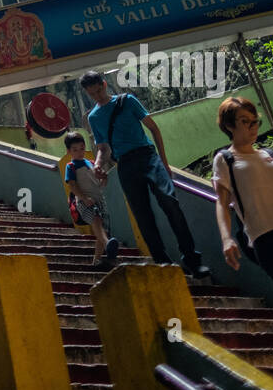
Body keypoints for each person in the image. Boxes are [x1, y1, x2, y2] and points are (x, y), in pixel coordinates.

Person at [83, 70, 211, 278]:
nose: (97, 96)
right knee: (143, 217)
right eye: (92, 95)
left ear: (104, 85)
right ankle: (164, 265)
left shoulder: (127, 101)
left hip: (148, 157)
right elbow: (103, 148)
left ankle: (192, 259)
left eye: (98, 91)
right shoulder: (94, 117)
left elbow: (154, 128)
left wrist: (164, 162)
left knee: (170, 202)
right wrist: (98, 165)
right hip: (125, 164)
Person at [213, 96, 273, 349]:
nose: (252, 127)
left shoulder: (270, 154)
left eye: (255, 121)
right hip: (269, 238)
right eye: (245, 122)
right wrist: (226, 238)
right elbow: (221, 204)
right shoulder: (226, 160)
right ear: (229, 126)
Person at [64, 130, 119, 271]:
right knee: (96, 221)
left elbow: (100, 180)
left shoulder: (92, 163)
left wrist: (104, 177)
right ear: (69, 151)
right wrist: (83, 198)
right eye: (75, 150)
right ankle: (108, 245)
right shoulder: (70, 167)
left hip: (99, 200)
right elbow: (72, 186)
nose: (79, 152)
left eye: (81, 148)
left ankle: (97, 260)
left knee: (102, 229)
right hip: (84, 202)